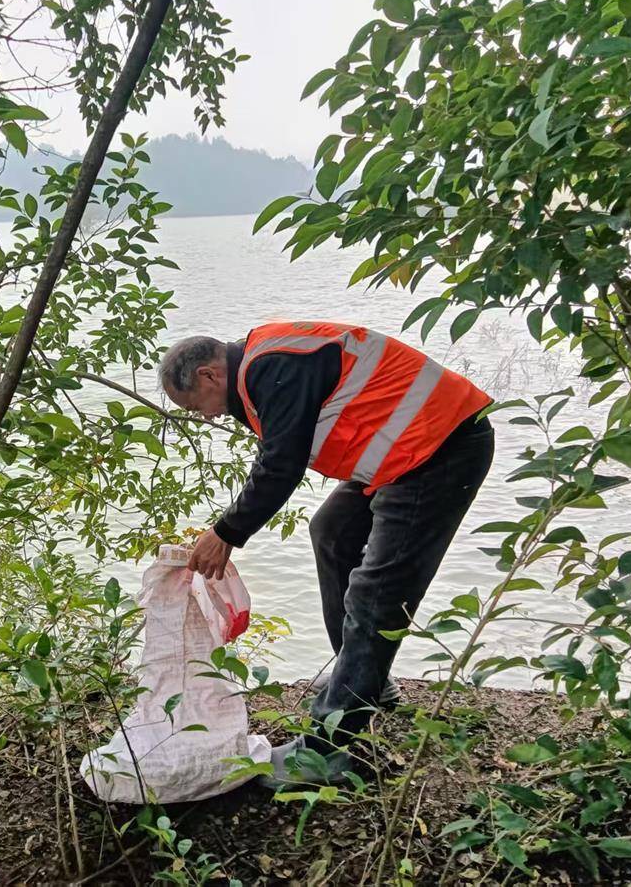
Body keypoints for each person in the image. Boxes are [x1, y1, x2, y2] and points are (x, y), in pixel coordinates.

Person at [158, 321, 495, 787]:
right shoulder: (260, 370)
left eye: (199, 406)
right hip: (401, 453)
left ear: (209, 375)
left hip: (439, 449)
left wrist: (226, 532)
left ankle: (326, 750)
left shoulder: (273, 366)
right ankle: (362, 680)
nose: (208, 418)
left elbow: (281, 463)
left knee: (375, 591)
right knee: (331, 531)